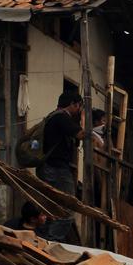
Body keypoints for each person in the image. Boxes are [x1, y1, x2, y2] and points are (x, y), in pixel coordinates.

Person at [37, 92, 84, 242]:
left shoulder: (52, 116)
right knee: (68, 207)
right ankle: (52, 241)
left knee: (50, 206)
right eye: (79, 107)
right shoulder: (62, 117)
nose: (79, 110)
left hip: (46, 167)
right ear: (73, 104)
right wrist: (85, 121)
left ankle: (42, 240)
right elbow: (81, 135)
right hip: (57, 169)